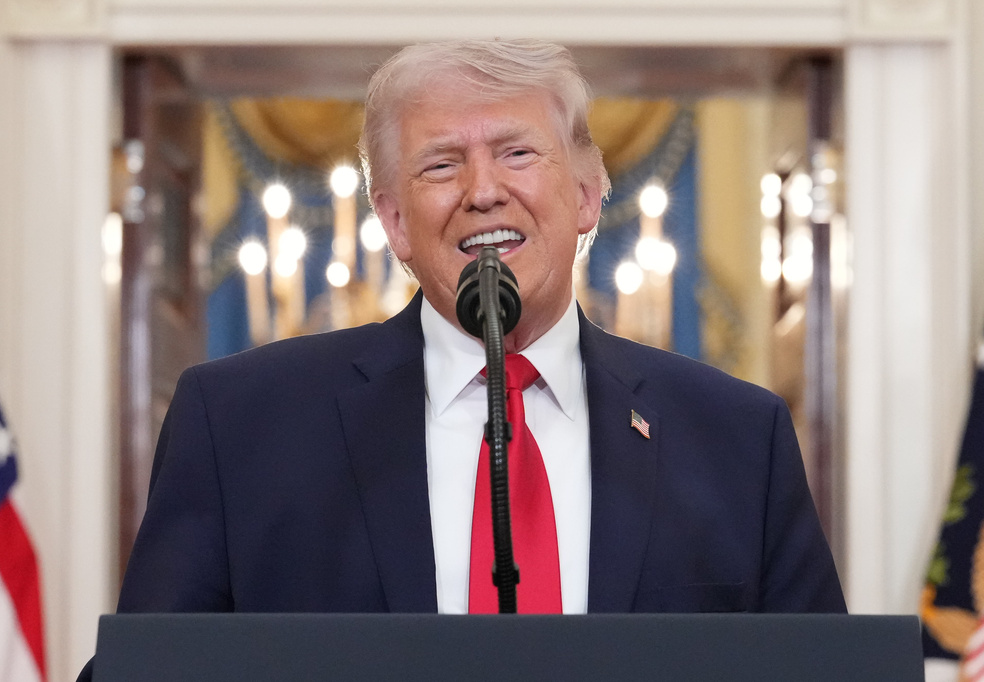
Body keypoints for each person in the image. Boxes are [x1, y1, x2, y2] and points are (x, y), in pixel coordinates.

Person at [79, 36, 844, 680]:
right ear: (394, 223)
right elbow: (149, 668)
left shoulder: (739, 437)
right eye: (441, 165)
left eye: (517, 153)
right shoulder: (240, 426)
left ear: (585, 194)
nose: (483, 191)